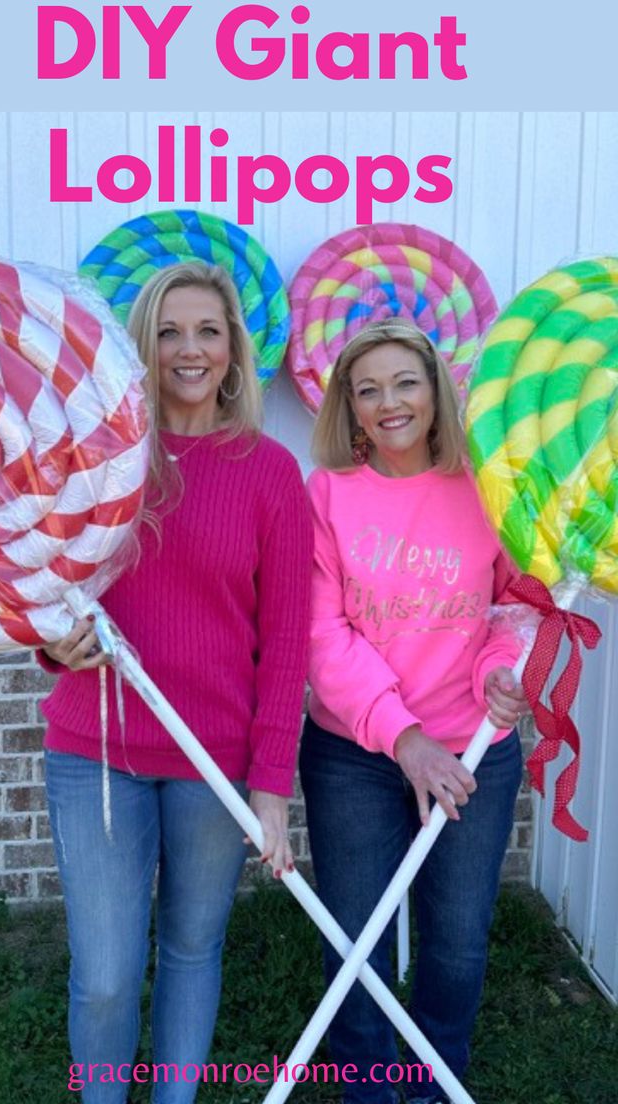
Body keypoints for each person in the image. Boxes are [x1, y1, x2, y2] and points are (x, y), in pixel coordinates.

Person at [38, 261, 312, 1103]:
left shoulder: (271, 474)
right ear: (142, 348)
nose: (188, 349)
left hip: (213, 762)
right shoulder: (100, 462)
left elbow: (288, 642)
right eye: (168, 332)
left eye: (208, 331)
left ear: (235, 350)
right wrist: (59, 646)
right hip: (99, 752)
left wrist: (270, 786)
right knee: (109, 972)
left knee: (193, 949)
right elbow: (48, 591)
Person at [299, 318, 528, 1104]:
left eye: (405, 382)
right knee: (355, 940)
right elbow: (322, 634)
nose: (388, 402)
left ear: (437, 390)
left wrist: (502, 674)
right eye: (367, 390)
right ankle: (368, 1089)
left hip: (473, 752)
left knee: (458, 942)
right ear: (350, 409)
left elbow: (513, 609)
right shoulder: (327, 493)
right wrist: (404, 738)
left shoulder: (491, 487)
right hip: (354, 754)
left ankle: (432, 1085)